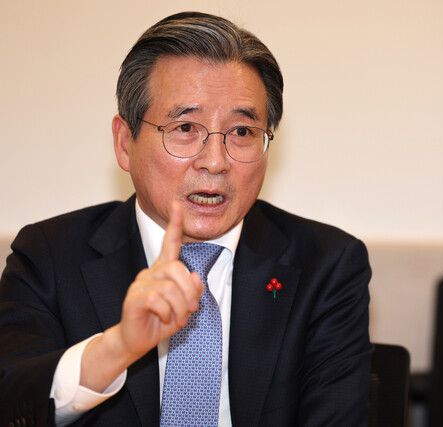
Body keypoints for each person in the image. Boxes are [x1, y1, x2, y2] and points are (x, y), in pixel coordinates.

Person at [0, 12, 371, 426]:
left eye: (242, 132)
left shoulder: (327, 265)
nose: (215, 161)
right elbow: (12, 402)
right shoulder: (50, 257)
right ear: (124, 143)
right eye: (185, 128)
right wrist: (118, 347)